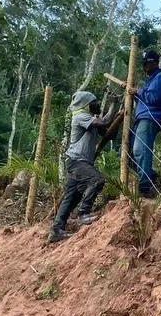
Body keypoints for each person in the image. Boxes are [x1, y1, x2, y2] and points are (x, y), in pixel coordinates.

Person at [48, 91, 117, 243]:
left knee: (71, 198)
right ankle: (83, 213)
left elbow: (109, 133)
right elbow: (105, 122)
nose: (98, 104)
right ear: (87, 105)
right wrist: (113, 103)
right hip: (77, 161)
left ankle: (56, 230)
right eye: (95, 102)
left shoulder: (90, 120)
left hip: (77, 162)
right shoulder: (81, 117)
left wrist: (117, 113)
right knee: (97, 179)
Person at [121, 49, 161, 198]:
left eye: (147, 64)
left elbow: (153, 98)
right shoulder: (150, 81)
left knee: (140, 150)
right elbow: (144, 99)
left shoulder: (160, 78)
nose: (145, 67)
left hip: (150, 118)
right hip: (141, 118)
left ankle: (145, 186)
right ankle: (151, 176)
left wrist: (137, 91)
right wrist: (132, 92)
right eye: (144, 64)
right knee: (128, 152)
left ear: (154, 63)